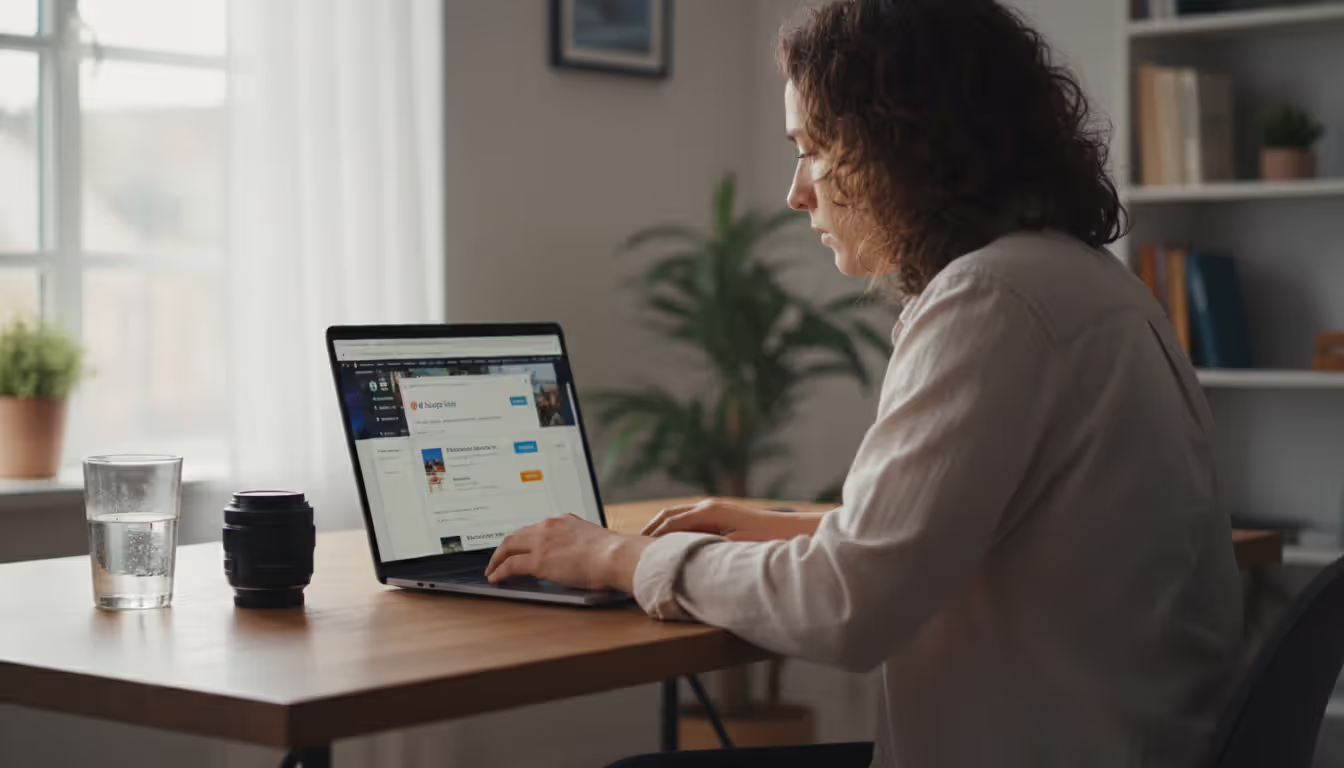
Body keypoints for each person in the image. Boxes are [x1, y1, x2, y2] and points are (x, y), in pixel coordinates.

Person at [485, 0, 1243, 765]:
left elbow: (847, 608)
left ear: (904, 143)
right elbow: (991, 539)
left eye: (813, 147)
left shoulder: (991, 300)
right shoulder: (1080, 280)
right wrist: (789, 530)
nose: (796, 191)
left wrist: (616, 558)